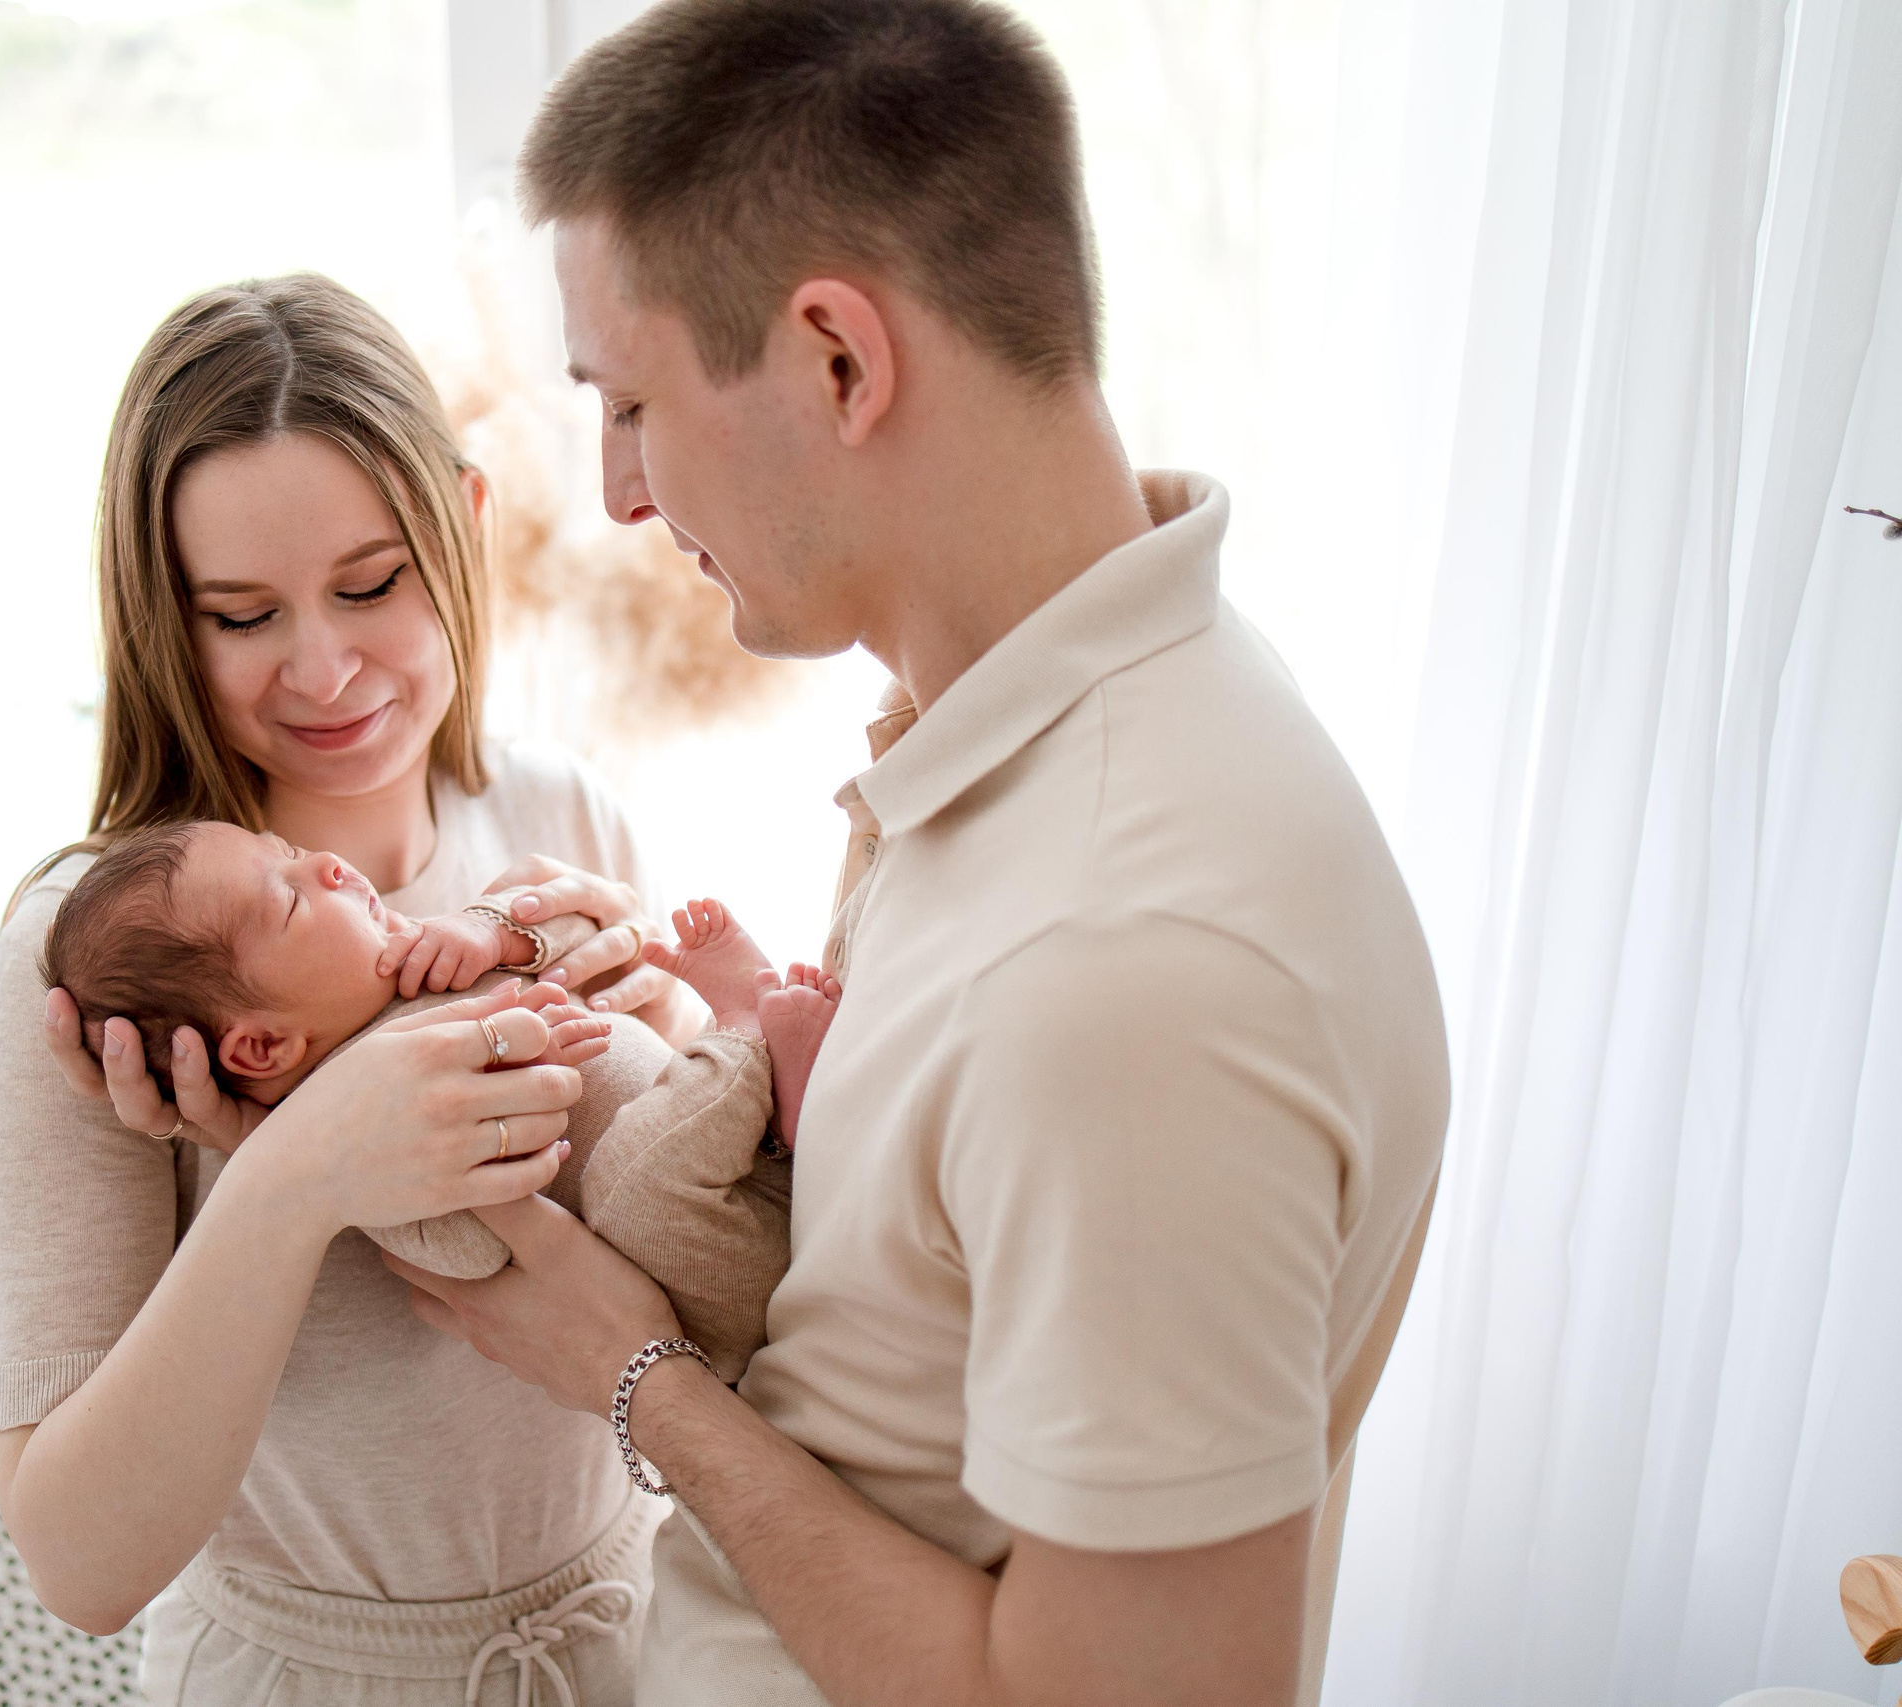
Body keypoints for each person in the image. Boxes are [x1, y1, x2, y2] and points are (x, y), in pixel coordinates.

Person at [386, 5, 1452, 1707]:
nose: (619, 495)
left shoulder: (1130, 957)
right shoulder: (1068, 737)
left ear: (836, 360)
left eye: (634, 401)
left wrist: (634, 1375)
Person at [0, 273, 709, 1707]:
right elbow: (78, 1561)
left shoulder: (566, 825)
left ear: (465, 529)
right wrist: (292, 1174)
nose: (324, 669)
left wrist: (682, 1027)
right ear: (161, 620)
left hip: (637, 1639)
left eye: (370, 586)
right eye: (243, 614)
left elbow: (703, 1267)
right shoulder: (103, 965)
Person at [36, 814, 840, 1379]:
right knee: (629, 1185)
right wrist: (519, 1092)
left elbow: (567, 946)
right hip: (713, 1274)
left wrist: (496, 929)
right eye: (289, 896)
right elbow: (471, 1249)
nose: (329, 864)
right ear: (263, 1046)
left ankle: (775, 1081)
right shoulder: (358, 1133)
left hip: (744, 1161)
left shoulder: (416, 954)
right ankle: (748, 1036)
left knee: (679, 1129)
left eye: (290, 850)